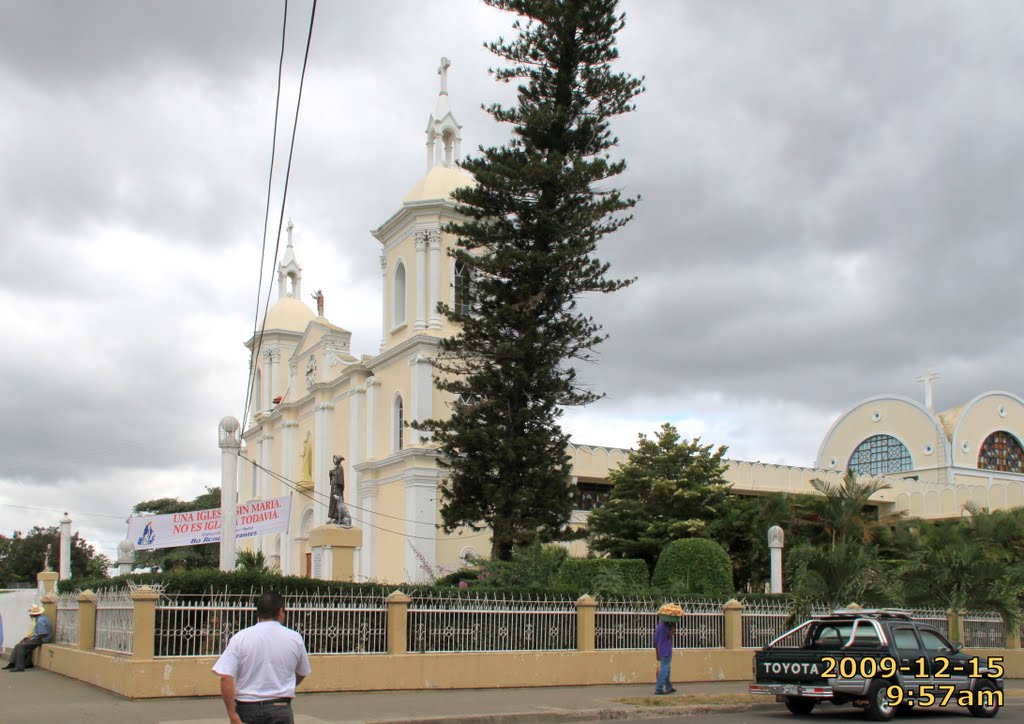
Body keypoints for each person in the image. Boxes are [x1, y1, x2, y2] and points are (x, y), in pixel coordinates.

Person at [213, 592, 311, 724]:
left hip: (247, 708)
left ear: (258, 612)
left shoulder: (240, 638)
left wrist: (233, 715)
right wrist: (284, 684)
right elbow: (302, 672)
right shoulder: (294, 638)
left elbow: (225, 676)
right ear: (281, 611)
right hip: (280, 707)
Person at [3, 604, 51, 672]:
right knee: (23, 646)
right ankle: (26, 663)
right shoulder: (44, 618)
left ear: (34, 614)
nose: (30, 615)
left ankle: (19, 666)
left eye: (31, 613)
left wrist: (33, 639)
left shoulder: (40, 621)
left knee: (21, 646)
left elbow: (42, 633)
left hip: (41, 639)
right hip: (40, 638)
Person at [654, 603, 683, 695]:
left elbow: (655, 641)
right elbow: (670, 635)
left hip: (660, 650)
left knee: (667, 669)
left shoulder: (658, 626)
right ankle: (659, 688)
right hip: (666, 650)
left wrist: (657, 653)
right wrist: (673, 625)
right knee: (664, 669)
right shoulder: (666, 627)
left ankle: (669, 687)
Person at [327, 454, 352, 527]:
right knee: (332, 502)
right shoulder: (336, 467)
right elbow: (334, 475)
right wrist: (331, 473)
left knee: (337, 503)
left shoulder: (340, 467)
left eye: (335, 459)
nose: (334, 461)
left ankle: (337, 517)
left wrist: (333, 473)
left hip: (338, 489)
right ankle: (332, 516)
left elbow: (339, 477)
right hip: (333, 488)